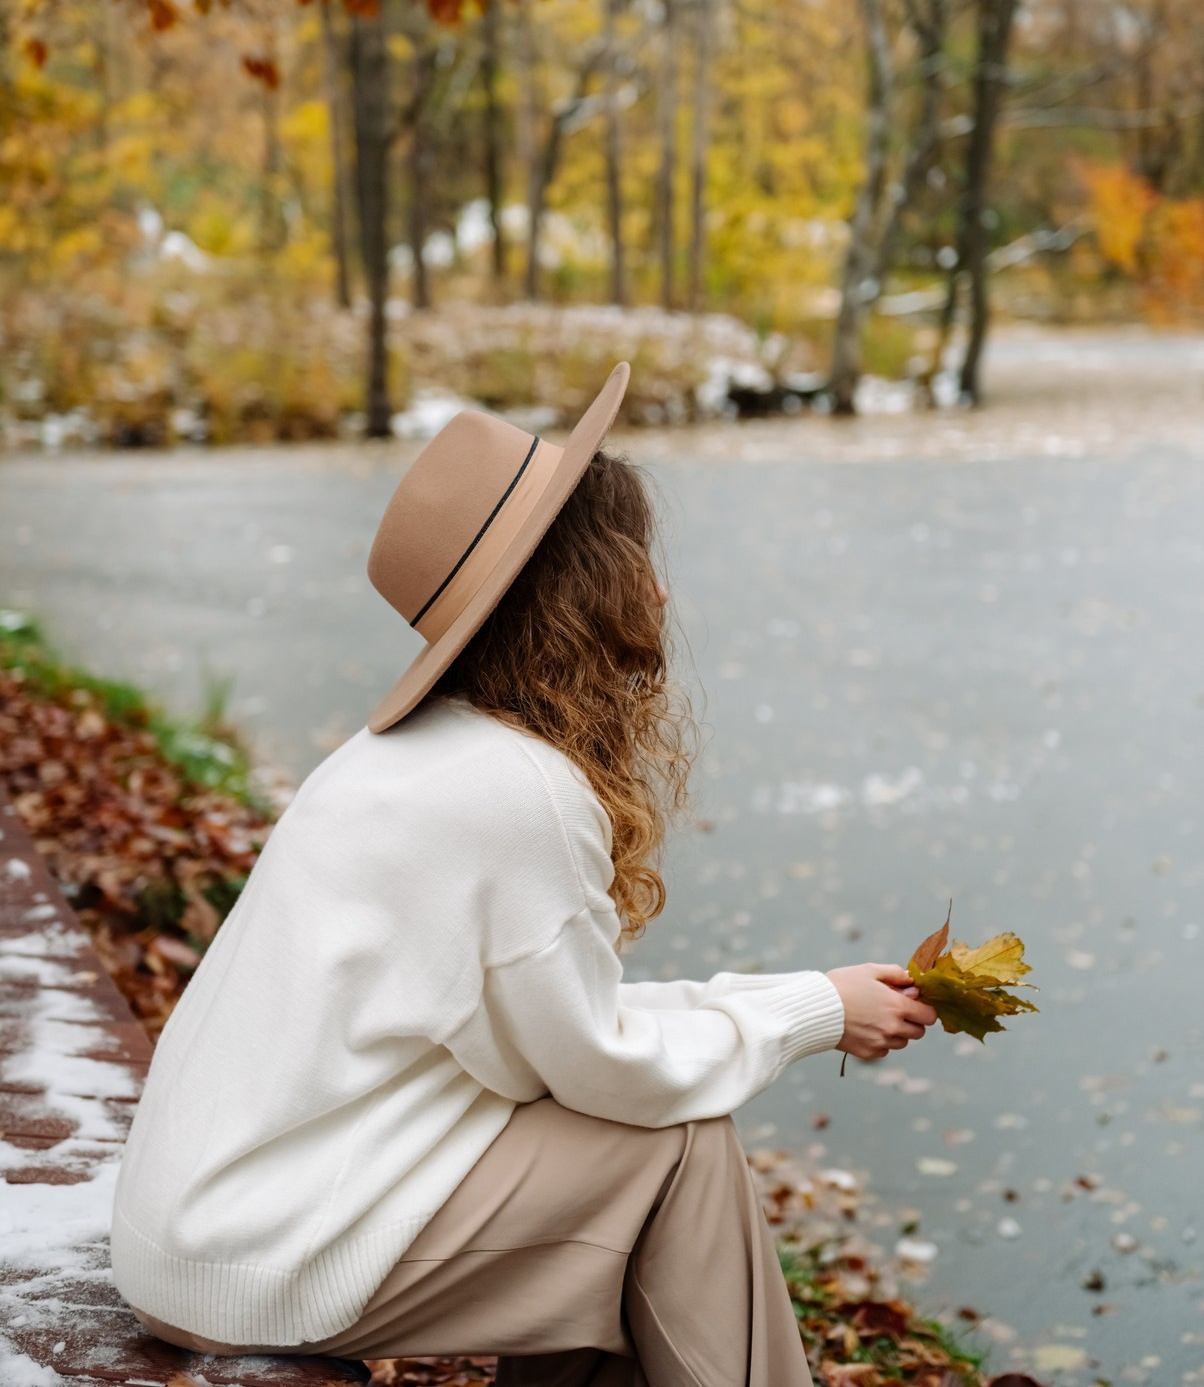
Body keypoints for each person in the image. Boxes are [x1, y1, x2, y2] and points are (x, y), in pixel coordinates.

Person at [112, 360, 937, 1386]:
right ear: (580, 580)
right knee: (674, 1151)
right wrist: (813, 1012)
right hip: (253, 1257)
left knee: (643, 1171)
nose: (663, 589)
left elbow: (567, 1031)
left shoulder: (414, 759)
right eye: (638, 558)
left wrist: (808, 998)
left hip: (197, 1224)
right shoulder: (518, 788)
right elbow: (602, 1067)